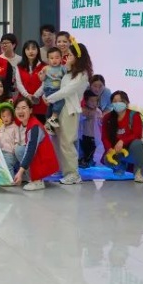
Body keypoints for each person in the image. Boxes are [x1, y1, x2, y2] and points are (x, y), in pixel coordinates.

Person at [43, 39, 93, 185]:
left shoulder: (82, 74)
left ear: (78, 57)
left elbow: (66, 91)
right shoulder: (68, 71)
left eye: (70, 55)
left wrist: (50, 98)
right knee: (59, 142)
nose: (67, 57)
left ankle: (73, 173)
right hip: (59, 109)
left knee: (67, 142)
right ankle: (64, 170)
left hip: (69, 111)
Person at [12, 97, 59, 191]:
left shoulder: (34, 126)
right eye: (17, 108)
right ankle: (30, 176)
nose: (20, 111)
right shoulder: (25, 123)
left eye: (24, 108)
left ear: (30, 110)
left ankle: (37, 180)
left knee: (21, 150)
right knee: (18, 149)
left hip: (44, 161)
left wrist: (20, 172)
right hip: (39, 157)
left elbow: (31, 150)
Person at [102, 91, 143, 183]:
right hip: (116, 151)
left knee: (137, 143)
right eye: (114, 101)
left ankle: (138, 172)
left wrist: (122, 141)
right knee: (107, 160)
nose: (117, 103)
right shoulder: (107, 118)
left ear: (127, 102)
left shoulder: (134, 115)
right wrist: (109, 148)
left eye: (120, 101)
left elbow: (137, 134)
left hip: (132, 151)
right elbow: (104, 137)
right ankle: (120, 167)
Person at [14, 40, 47, 119]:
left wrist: (35, 96)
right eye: (28, 49)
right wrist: (27, 95)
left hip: (39, 103)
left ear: (38, 50)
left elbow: (45, 84)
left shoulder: (44, 66)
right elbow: (19, 84)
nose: (31, 51)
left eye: (33, 49)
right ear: (24, 51)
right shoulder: (19, 66)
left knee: (39, 124)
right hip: (23, 102)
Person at [42, 47, 67, 130]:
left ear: (61, 58)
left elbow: (67, 77)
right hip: (49, 89)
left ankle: (48, 123)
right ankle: (54, 117)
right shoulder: (46, 68)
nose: (54, 60)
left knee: (51, 106)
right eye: (51, 58)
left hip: (58, 89)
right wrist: (42, 74)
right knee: (61, 100)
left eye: (57, 57)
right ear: (48, 59)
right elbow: (42, 79)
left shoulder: (63, 68)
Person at [0, 102, 24, 174]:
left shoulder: (15, 127)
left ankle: (11, 179)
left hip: (10, 152)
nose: (6, 118)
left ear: (12, 116)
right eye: (3, 116)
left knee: (8, 165)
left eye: (8, 116)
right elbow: (0, 138)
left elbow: (17, 140)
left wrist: (14, 149)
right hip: (1, 151)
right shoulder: (1, 127)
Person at [79, 90, 100, 168]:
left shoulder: (98, 111)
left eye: (96, 101)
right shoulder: (82, 110)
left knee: (91, 150)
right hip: (83, 135)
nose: (94, 103)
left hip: (93, 136)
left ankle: (88, 161)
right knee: (83, 149)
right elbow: (78, 120)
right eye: (91, 101)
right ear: (85, 101)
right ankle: (84, 160)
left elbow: (100, 124)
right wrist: (85, 116)